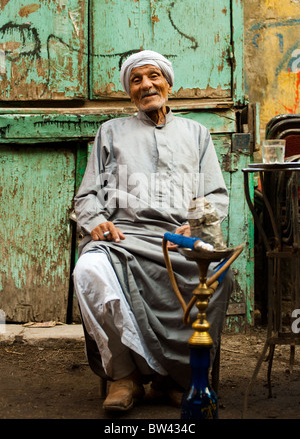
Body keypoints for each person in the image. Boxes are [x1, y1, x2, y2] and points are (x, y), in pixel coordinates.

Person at [73, 50, 233, 412]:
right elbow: (86, 195)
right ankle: (124, 376)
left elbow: (216, 196)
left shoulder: (197, 133)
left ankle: (176, 377)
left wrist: (198, 223)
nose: (146, 85)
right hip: (124, 238)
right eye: (136, 79)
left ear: (168, 84)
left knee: (219, 277)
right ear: (129, 92)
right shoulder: (110, 132)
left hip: (181, 240)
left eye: (153, 76)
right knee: (88, 271)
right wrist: (97, 219)